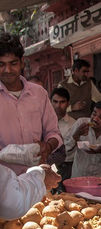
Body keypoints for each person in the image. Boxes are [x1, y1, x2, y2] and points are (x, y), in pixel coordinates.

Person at [0, 32, 63, 176]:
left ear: (22, 62)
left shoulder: (39, 94)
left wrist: (48, 146)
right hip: (3, 182)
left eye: (13, 63)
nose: (7, 70)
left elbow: (53, 132)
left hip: (35, 178)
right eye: (1, 64)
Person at [50, 87, 76, 190]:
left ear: (68, 103)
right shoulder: (43, 122)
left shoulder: (74, 124)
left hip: (67, 166)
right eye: (55, 101)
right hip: (48, 165)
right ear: (50, 102)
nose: (58, 105)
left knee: (66, 197)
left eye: (62, 102)